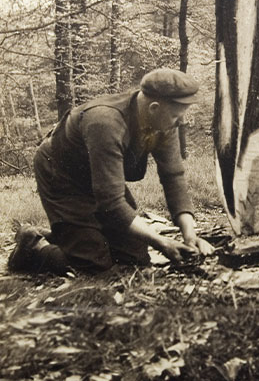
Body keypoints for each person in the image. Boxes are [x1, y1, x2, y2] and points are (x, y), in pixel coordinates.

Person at [8, 68, 215, 275]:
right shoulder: (105, 122)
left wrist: (189, 234)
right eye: (177, 116)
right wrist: (161, 242)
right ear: (154, 107)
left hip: (101, 175)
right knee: (95, 268)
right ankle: (33, 247)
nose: (181, 122)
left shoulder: (163, 122)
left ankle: (67, 234)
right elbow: (111, 202)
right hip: (62, 173)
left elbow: (173, 176)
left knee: (135, 261)